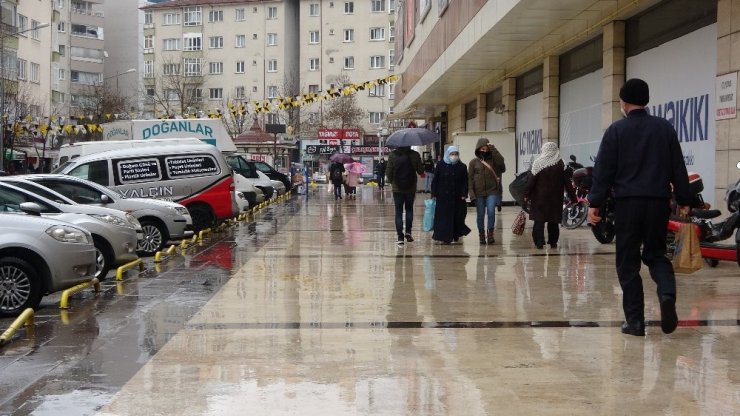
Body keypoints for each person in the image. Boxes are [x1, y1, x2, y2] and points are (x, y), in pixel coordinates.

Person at [587, 78, 692, 337]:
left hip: (628, 205)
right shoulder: (664, 128)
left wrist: (595, 204)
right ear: (646, 101)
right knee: (656, 255)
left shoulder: (616, 131)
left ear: (623, 102)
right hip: (658, 204)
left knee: (628, 262)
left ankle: (635, 322)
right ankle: (667, 296)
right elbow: (678, 167)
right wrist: (685, 199)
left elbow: (604, 171)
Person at [524, 142, 575, 249]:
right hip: (555, 198)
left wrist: (526, 194)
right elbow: (568, 183)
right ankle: (553, 242)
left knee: (539, 220)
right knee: (553, 221)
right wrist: (573, 197)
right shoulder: (562, 163)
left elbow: (531, 181)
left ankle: (539, 242)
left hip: (539, 198)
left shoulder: (538, 163)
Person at [468, 138, 505, 244]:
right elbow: (469, 179)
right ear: (478, 149)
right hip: (478, 193)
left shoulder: (494, 160)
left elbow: (502, 164)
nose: (484, 150)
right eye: (482, 148)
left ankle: (490, 234)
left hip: (492, 191)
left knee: (491, 212)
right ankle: (481, 234)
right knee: (480, 214)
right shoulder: (473, 162)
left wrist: (493, 148)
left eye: (486, 148)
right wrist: (471, 193)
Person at [431, 145, 471, 244]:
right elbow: (435, 180)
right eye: (452, 154)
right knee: (444, 218)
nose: (454, 156)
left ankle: (455, 235)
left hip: (457, 198)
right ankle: (444, 237)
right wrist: (434, 193)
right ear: (447, 154)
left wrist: (464, 193)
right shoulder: (441, 165)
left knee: (457, 217)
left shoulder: (462, 166)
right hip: (443, 197)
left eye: (456, 154)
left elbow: (465, 182)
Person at [386, 146, 424, 245]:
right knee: (409, 209)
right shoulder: (415, 154)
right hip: (410, 188)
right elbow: (420, 171)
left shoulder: (392, 155)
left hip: (397, 188)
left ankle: (400, 236)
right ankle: (408, 232)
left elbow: (388, 172)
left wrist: (391, 182)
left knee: (398, 211)